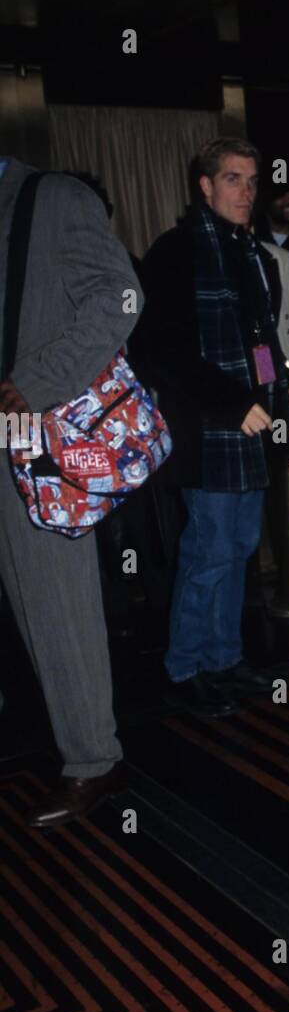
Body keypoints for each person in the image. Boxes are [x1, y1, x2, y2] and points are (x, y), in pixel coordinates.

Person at [130, 137, 289, 717]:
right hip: (207, 429)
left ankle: (224, 658)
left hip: (249, 424)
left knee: (238, 548)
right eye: (233, 179)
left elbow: (260, 342)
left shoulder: (250, 254)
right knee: (208, 550)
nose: (246, 193)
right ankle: (185, 667)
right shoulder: (176, 251)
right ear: (204, 186)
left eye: (252, 182)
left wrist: (282, 385)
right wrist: (233, 402)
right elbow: (160, 353)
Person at [0, 159, 137, 827]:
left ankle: (93, 760)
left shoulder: (53, 197)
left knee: (54, 605)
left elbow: (120, 295)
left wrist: (35, 379)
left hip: (30, 432)